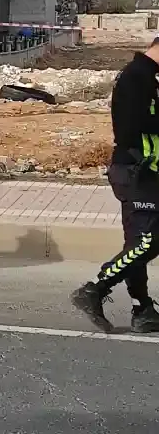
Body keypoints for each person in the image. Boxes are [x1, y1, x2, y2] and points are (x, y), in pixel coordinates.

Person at [71, 37, 159, 333]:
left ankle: (143, 309)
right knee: (147, 242)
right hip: (135, 171)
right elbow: (132, 125)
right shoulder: (136, 77)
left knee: (138, 243)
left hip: (144, 171)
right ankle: (94, 289)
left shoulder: (148, 76)